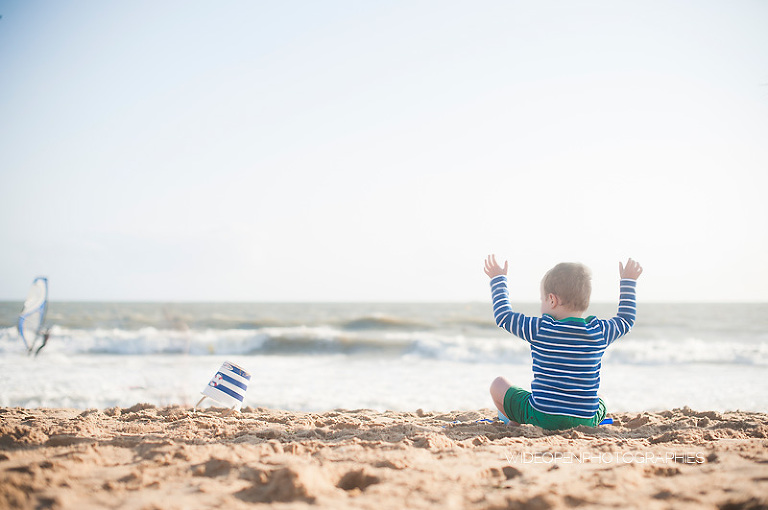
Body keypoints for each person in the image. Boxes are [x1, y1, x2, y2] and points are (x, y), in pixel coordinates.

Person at [484, 255, 643, 430]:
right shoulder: (599, 331)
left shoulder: (540, 329)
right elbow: (626, 320)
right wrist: (628, 282)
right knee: (603, 399)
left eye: (542, 300)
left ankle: (514, 421)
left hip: (542, 417)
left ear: (552, 300)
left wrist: (498, 279)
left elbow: (504, 316)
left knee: (498, 384)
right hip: (585, 421)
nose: (542, 305)